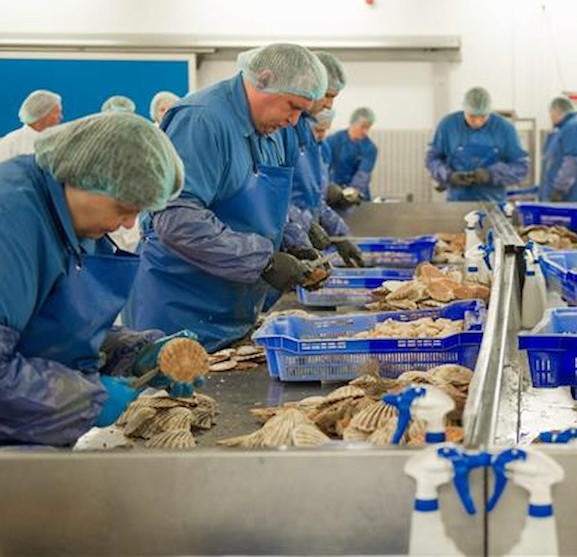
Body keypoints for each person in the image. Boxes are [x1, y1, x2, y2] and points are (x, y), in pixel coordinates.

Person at [122, 43, 330, 353]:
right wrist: (264, 261)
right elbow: (177, 219)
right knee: (166, 400)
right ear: (264, 79)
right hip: (178, 308)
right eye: (291, 106)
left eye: (303, 110)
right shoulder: (202, 121)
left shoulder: (279, 128)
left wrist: (293, 241)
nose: (294, 120)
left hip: (235, 307)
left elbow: (273, 205)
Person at [0, 113, 187, 446]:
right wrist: (88, 400)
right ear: (85, 177)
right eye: (123, 207)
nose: (130, 224)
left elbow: (49, 325)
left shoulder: (74, 217)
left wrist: (136, 352)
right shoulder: (11, 223)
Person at [282, 51, 363, 268]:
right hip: (283, 244)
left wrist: (340, 235)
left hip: (299, 240)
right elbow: (275, 200)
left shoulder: (308, 142)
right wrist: (303, 228)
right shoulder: (280, 132)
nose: (329, 105)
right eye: (327, 95)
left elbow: (315, 199)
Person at [426, 86, 529, 202]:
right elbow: (433, 158)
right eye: (472, 116)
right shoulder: (448, 126)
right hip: (456, 202)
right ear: (464, 110)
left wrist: (490, 174)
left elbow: (521, 166)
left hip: (494, 202)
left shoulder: (505, 129)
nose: (477, 122)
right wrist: (449, 176)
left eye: (483, 116)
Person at [540, 95, 577, 202]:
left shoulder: (574, 127)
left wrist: (559, 190)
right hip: (556, 194)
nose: (550, 117)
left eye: (551, 113)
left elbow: (572, 162)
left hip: (568, 197)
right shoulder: (560, 131)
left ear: (557, 112)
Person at [326, 106, 379, 201]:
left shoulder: (370, 148)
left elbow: (362, 175)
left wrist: (352, 194)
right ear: (353, 123)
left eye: (368, 128)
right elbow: (324, 167)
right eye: (363, 127)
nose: (365, 131)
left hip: (357, 195)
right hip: (334, 191)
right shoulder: (333, 141)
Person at [0, 89, 63, 162]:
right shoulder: (11, 143)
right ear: (43, 114)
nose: (61, 117)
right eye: (56, 113)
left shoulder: (59, 141)